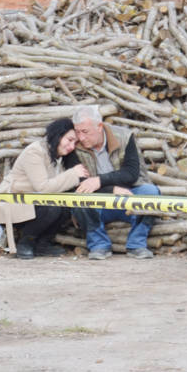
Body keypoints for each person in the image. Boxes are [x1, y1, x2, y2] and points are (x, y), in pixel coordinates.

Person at [0, 117, 89, 259]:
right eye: (69, 140)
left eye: (75, 143)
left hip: (33, 201)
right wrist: (73, 174)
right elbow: (43, 187)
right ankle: (25, 243)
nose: (72, 146)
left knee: (66, 204)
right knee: (52, 207)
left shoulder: (56, 154)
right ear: (58, 135)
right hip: (14, 202)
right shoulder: (34, 152)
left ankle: (43, 243)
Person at [69, 105, 159, 260]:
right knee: (79, 200)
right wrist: (111, 189)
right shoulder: (74, 146)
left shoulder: (124, 137)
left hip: (128, 194)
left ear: (99, 126)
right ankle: (98, 245)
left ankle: (136, 245)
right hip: (98, 201)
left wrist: (100, 181)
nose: (81, 137)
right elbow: (82, 185)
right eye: (77, 132)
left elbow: (131, 173)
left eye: (85, 132)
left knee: (151, 192)